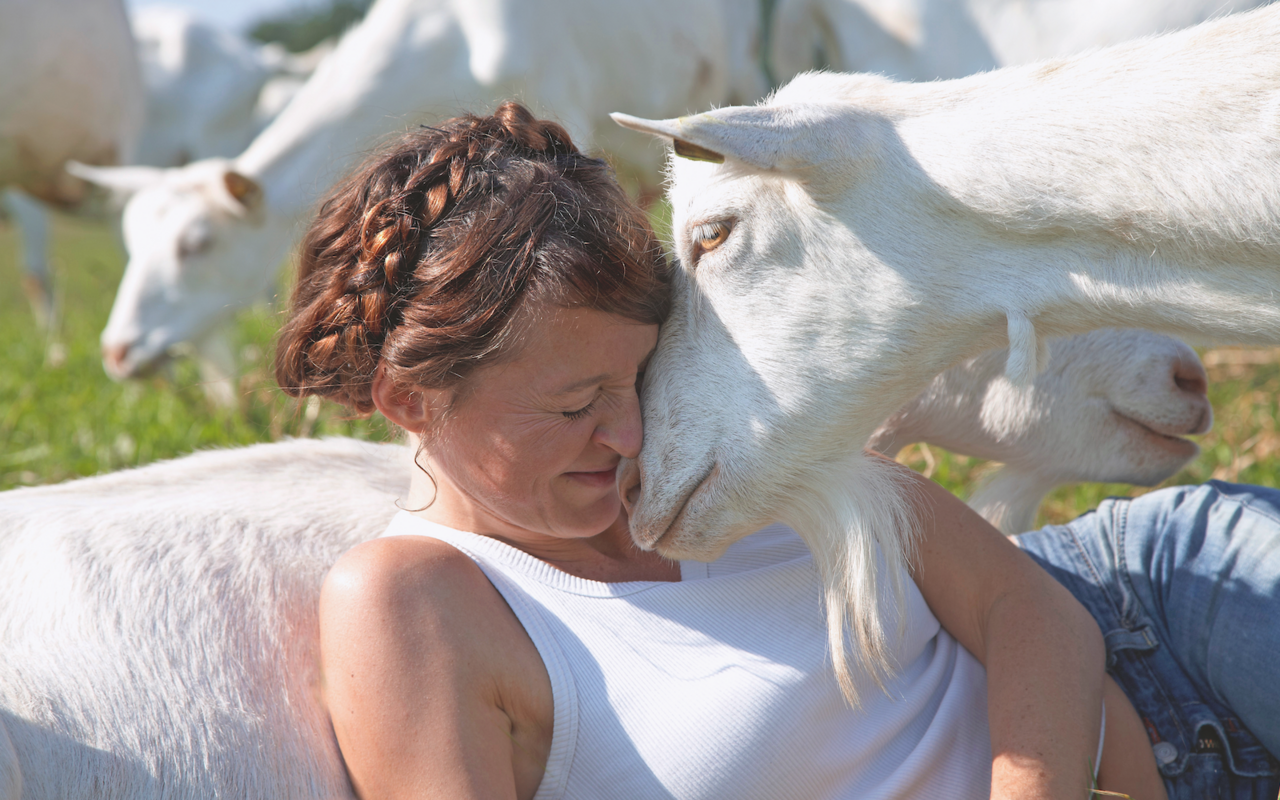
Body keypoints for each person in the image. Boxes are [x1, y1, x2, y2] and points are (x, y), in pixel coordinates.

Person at [274, 102, 1279, 800]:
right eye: (575, 403)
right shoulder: (416, 605)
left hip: (1163, 612)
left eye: (639, 377)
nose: (630, 434)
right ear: (409, 400)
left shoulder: (699, 444)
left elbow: (1034, 611)